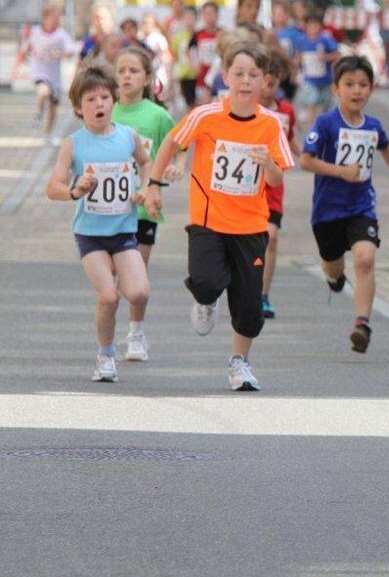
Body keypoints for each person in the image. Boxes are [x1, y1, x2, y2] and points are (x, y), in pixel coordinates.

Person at [142, 41, 296, 391]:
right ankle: (205, 300)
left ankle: (239, 363)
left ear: (265, 81)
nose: (245, 81)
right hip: (208, 221)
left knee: (249, 307)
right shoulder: (206, 115)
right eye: (238, 74)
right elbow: (171, 142)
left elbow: (277, 177)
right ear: (225, 76)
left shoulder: (271, 125)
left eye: (253, 75)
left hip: (251, 225)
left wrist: (267, 163)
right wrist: (153, 184)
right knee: (207, 281)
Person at [45, 64, 151, 383]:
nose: (99, 104)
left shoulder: (127, 137)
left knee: (140, 292)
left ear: (114, 101)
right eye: (90, 100)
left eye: (105, 97)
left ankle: (136, 331)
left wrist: (145, 188)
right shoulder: (73, 144)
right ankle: (106, 356)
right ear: (78, 107)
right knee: (108, 297)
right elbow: (53, 187)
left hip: (123, 232)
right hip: (90, 234)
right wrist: (75, 190)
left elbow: (146, 164)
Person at [299, 56, 389, 353]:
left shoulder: (373, 126)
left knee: (365, 258)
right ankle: (334, 278)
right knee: (333, 266)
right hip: (327, 211)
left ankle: (362, 323)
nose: (357, 91)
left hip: (361, 206)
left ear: (371, 89)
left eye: (363, 85)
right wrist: (340, 171)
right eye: (349, 85)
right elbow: (305, 160)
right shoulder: (325, 123)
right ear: (336, 89)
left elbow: (387, 147)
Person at [111, 47, 184, 361]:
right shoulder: (107, 110)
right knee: (113, 279)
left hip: (144, 209)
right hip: (109, 210)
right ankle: (109, 338)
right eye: (122, 71)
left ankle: (136, 333)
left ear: (147, 78)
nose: (126, 76)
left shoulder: (158, 116)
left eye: (134, 71)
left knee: (135, 276)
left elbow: (179, 145)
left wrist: (176, 164)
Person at [260, 48, 300, 319]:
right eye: (266, 73)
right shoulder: (247, 109)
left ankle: (262, 295)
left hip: (274, 187)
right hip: (246, 186)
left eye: (276, 74)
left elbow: (293, 141)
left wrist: (312, 156)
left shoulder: (286, 111)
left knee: (271, 238)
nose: (271, 79)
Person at [13, 5, 75, 135]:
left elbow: (71, 51)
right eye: (53, 18)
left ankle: (47, 133)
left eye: (58, 18)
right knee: (43, 91)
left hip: (54, 77)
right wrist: (17, 66)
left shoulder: (61, 35)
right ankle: (38, 115)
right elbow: (25, 48)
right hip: (39, 72)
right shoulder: (35, 32)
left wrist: (59, 54)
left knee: (53, 108)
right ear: (45, 18)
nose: (56, 21)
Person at [293, 12, 339, 132]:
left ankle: (326, 129)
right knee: (312, 102)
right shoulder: (302, 40)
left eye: (317, 25)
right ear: (306, 26)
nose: (314, 28)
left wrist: (326, 57)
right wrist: (295, 69)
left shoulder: (325, 39)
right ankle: (312, 131)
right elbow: (298, 55)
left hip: (325, 80)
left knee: (326, 106)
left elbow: (337, 54)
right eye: (311, 25)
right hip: (310, 80)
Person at [190, 1, 221, 104]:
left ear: (217, 15)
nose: (209, 17)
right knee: (202, 104)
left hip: (218, 75)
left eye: (212, 13)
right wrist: (194, 65)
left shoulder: (222, 33)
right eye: (206, 14)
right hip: (202, 77)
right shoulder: (197, 34)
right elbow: (190, 49)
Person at [172, 5, 199, 110]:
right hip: (184, 74)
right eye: (186, 17)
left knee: (199, 103)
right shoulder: (178, 37)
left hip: (198, 75)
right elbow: (175, 55)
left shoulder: (198, 35)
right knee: (189, 104)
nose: (189, 21)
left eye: (192, 17)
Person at [140, 13, 173, 98]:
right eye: (144, 22)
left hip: (159, 76)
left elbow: (167, 56)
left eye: (148, 23)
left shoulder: (158, 38)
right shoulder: (142, 39)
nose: (146, 25)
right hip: (147, 77)